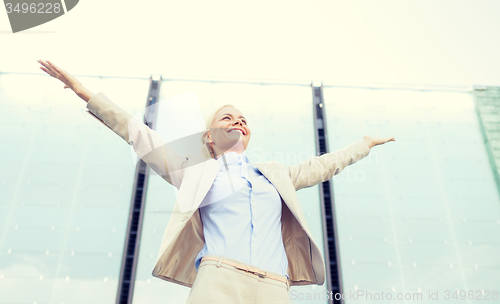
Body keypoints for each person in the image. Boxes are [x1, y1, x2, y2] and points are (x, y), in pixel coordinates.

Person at [38, 59, 395, 304]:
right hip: (218, 282)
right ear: (208, 136)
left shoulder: (275, 174)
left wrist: (361, 146)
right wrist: (84, 91)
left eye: (243, 119)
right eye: (227, 117)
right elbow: (139, 134)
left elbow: (324, 165)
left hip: (273, 287)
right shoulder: (193, 169)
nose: (238, 121)